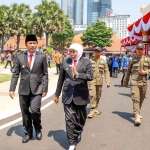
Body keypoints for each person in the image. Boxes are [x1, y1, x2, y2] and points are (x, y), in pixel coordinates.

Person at [9, 34, 48, 143]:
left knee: (35, 111)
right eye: (30, 43)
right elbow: (15, 73)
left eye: (34, 43)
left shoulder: (41, 56)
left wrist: (45, 88)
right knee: (25, 113)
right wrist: (12, 88)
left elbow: (45, 74)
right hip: (23, 89)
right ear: (26, 44)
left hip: (37, 88)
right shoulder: (20, 57)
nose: (32, 45)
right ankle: (28, 133)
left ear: (37, 44)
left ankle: (38, 128)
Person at [54, 43, 93, 150]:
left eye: (74, 52)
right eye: (70, 51)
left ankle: (78, 132)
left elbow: (90, 76)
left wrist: (78, 74)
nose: (71, 54)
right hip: (67, 95)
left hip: (81, 96)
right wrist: (57, 94)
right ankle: (71, 143)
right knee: (69, 119)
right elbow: (60, 79)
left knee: (81, 119)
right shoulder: (65, 61)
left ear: (79, 52)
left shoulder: (86, 62)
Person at [124, 43, 150, 125]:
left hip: (144, 82)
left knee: (141, 99)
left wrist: (146, 72)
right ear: (136, 50)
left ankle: (137, 111)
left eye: (141, 49)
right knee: (136, 99)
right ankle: (137, 116)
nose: (139, 50)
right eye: (138, 49)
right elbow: (128, 71)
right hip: (134, 82)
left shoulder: (147, 59)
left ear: (143, 50)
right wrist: (125, 80)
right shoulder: (132, 59)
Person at [88, 46, 110, 118]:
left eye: (98, 51)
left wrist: (108, 81)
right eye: (95, 51)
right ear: (94, 52)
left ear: (100, 53)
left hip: (100, 81)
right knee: (92, 95)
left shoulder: (103, 62)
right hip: (92, 81)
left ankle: (95, 108)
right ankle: (92, 109)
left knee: (98, 95)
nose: (96, 53)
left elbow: (106, 71)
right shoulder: (90, 61)